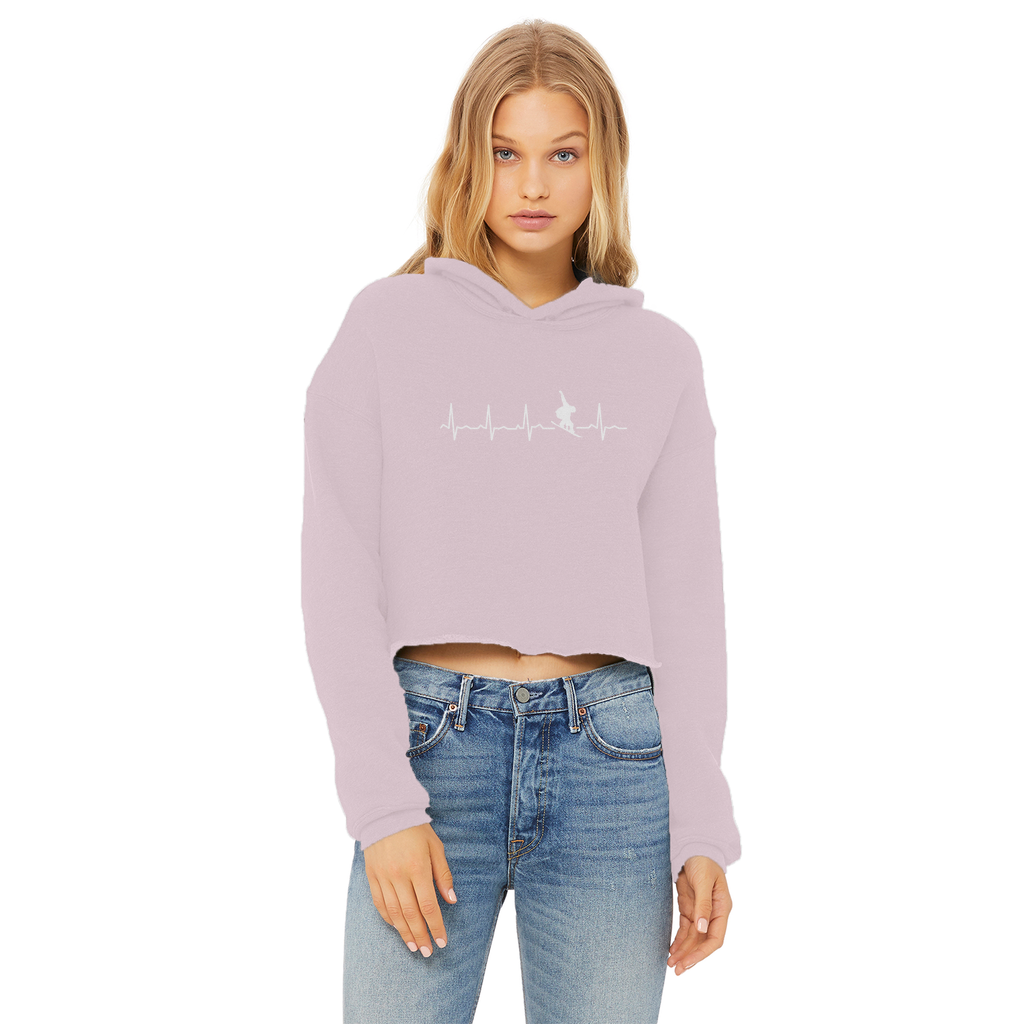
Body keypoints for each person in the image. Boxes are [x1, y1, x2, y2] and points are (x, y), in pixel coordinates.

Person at [301, 19, 741, 1023]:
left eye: (563, 154)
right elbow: (337, 575)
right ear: (468, 158)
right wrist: (380, 801)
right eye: (505, 153)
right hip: (431, 751)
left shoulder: (660, 358)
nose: (532, 184)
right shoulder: (385, 326)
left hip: (614, 764)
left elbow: (687, 606)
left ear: (603, 165)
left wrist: (703, 825)